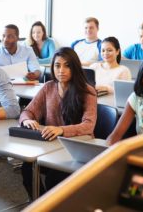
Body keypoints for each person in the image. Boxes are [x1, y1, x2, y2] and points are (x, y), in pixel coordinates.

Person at [19, 47, 97, 197]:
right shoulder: (48, 87)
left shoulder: (87, 91)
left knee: (53, 179)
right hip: (51, 146)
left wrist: (61, 130)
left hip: (76, 149)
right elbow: (27, 111)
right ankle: (41, 204)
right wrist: (27, 120)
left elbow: (89, 125)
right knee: (27, 168)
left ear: (75, 67)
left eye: (67, 65)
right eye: (57, 65)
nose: (61, 70)